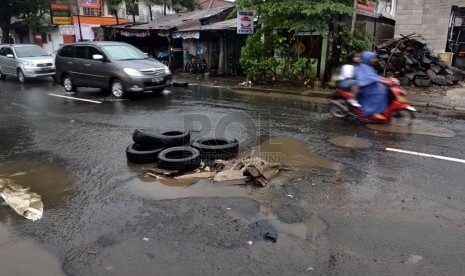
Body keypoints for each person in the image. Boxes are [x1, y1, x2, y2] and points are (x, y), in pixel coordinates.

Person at [355, 51, 392, 120]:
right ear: (367, 58)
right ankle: (372, 111)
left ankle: (381, 110)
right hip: (366, 88)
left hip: (372, 85)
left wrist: (387, 80)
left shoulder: (368, 66)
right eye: (372, 58)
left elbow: (376, 76)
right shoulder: (363, 67)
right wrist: (385, 81)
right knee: (380, 93)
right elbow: (372, 78)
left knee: (384, 89)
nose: (374, 60)